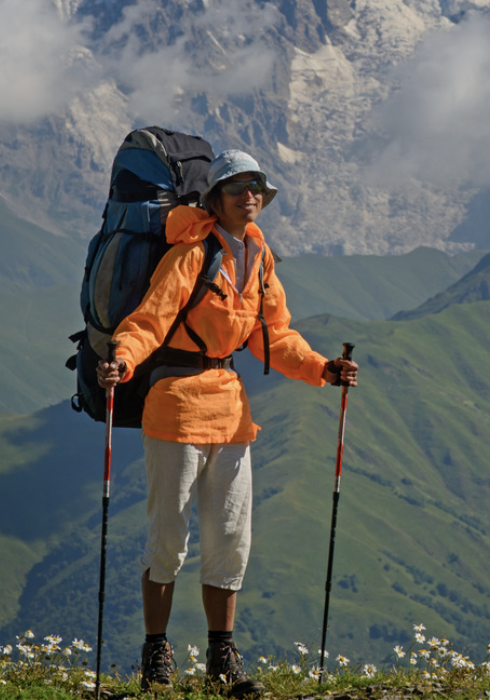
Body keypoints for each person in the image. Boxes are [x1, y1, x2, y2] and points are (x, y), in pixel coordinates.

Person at [93, 149, 358, 695]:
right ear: (214, 199)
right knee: (167, 540)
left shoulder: (259, 259)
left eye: (257, 187)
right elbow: (151, 318)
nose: (250, 195)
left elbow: (273, 335)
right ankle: (156, 655)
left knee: (231, 541)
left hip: (231, 413)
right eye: (237, 187)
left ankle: (221, 656)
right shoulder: (191, 253)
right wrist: (123, 357)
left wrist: (322, 369)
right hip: (175, 406)